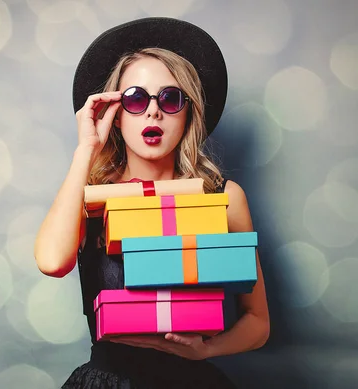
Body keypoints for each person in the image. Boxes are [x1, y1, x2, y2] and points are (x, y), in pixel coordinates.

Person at [34, 17, 270, 388]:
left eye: (170, 98)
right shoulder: (91, 195)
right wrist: (86, 149)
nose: (153, 111)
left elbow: (258, 322)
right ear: (114, 116)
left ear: (190, 111)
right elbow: (51, 261)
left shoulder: (223, 197)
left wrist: (206, 350)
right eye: (135, 98)